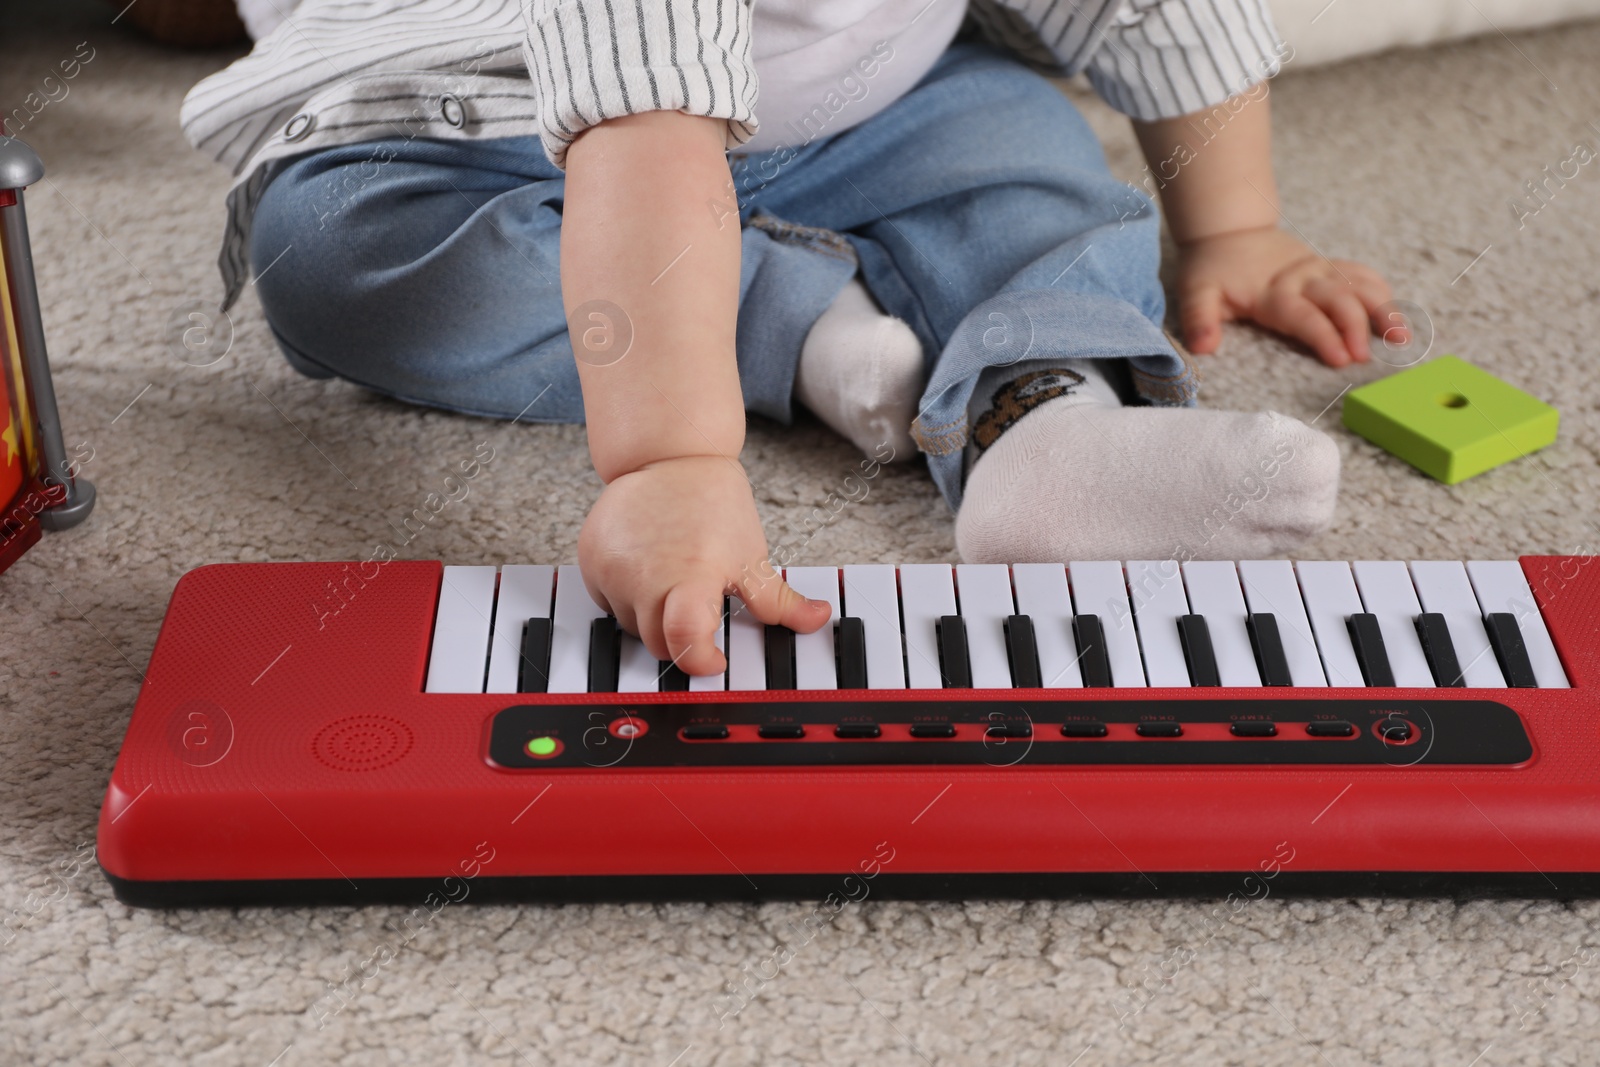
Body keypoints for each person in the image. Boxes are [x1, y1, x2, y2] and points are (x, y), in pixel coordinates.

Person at [182, 0, 1402, 676]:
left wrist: (1241, 226)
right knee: (345, 263)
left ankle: (1044, 416)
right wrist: (671, 467)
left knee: (1038, 170)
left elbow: (1149, 9)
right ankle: (826, 339)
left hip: (867, 103)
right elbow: (643, 133)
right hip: (483, 126)